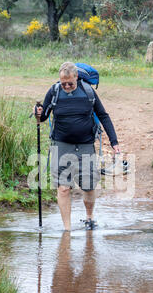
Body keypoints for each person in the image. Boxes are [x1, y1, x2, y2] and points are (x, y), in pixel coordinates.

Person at [34, 61, 120, 231]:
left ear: (77, 77)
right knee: (64, 188)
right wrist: (38, 113)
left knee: (88, 186)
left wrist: (114, 142)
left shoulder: (88, 92)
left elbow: (103, 115)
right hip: (61, 145)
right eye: (63, 82)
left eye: (70, 83)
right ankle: (67, 230)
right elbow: (42, 118)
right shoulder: (54, 91)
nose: (66, 86)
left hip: (86, 145)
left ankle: (89, 217)